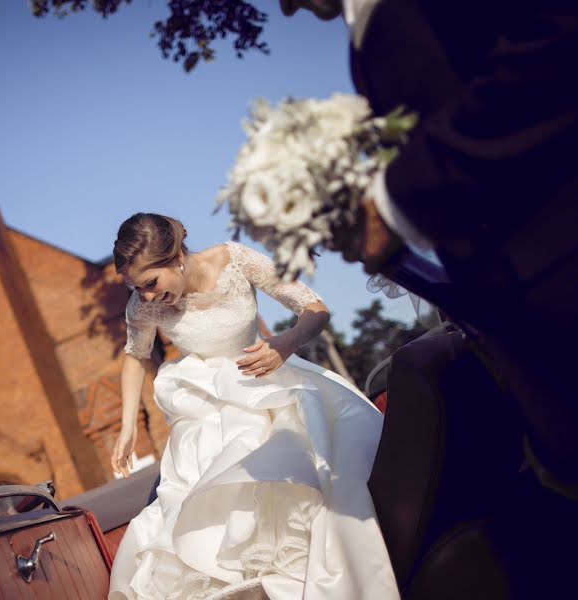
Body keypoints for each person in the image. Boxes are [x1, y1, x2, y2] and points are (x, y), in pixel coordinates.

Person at [279, 1, 578, 596]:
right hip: (516, 311)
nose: (285, 6)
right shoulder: (359, 40)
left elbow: (556, 35)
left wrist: (396, 200)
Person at [107, 213, 397, 600]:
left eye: (149, 284)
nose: (144, 296)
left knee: (315, 458)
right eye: (135, 288)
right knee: (205, 492)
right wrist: (127, 426)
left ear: (176, 256)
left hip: (266, 376)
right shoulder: (144, 308)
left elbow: (315, 308)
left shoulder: (234, 260)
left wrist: (286, 343)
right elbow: (134, 355)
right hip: (206, 402)